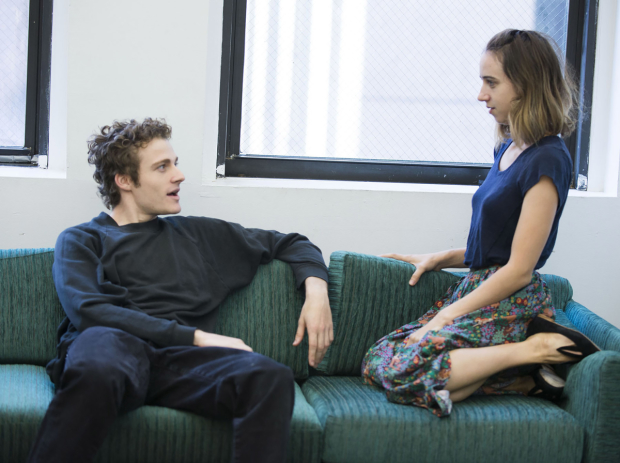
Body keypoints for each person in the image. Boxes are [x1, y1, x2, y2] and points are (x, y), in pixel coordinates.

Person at [27, 118, 333, 462]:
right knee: (100, 360)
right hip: (109, 347)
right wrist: (198, 338)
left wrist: (317, 293)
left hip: (179, 365)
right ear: (125, 181)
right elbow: (88, 311)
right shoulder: (82, 239)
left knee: (270, 377)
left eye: (175, 163)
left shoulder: (199, 236)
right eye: (162, 167)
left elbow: (291, 243)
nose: (179, 175)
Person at [361, 29, 599, 417]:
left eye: (491, 83)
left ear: (525, 86)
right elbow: (497, 243)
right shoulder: (508, 146)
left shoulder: (548, 159)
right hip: (480, 287)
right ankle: (522, 379)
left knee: (407, 366)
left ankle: (533, 348)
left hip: (509, 300)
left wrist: (444, 316)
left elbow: (519, 269)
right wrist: (440, 257)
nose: (481, 95)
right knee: (378, 359)